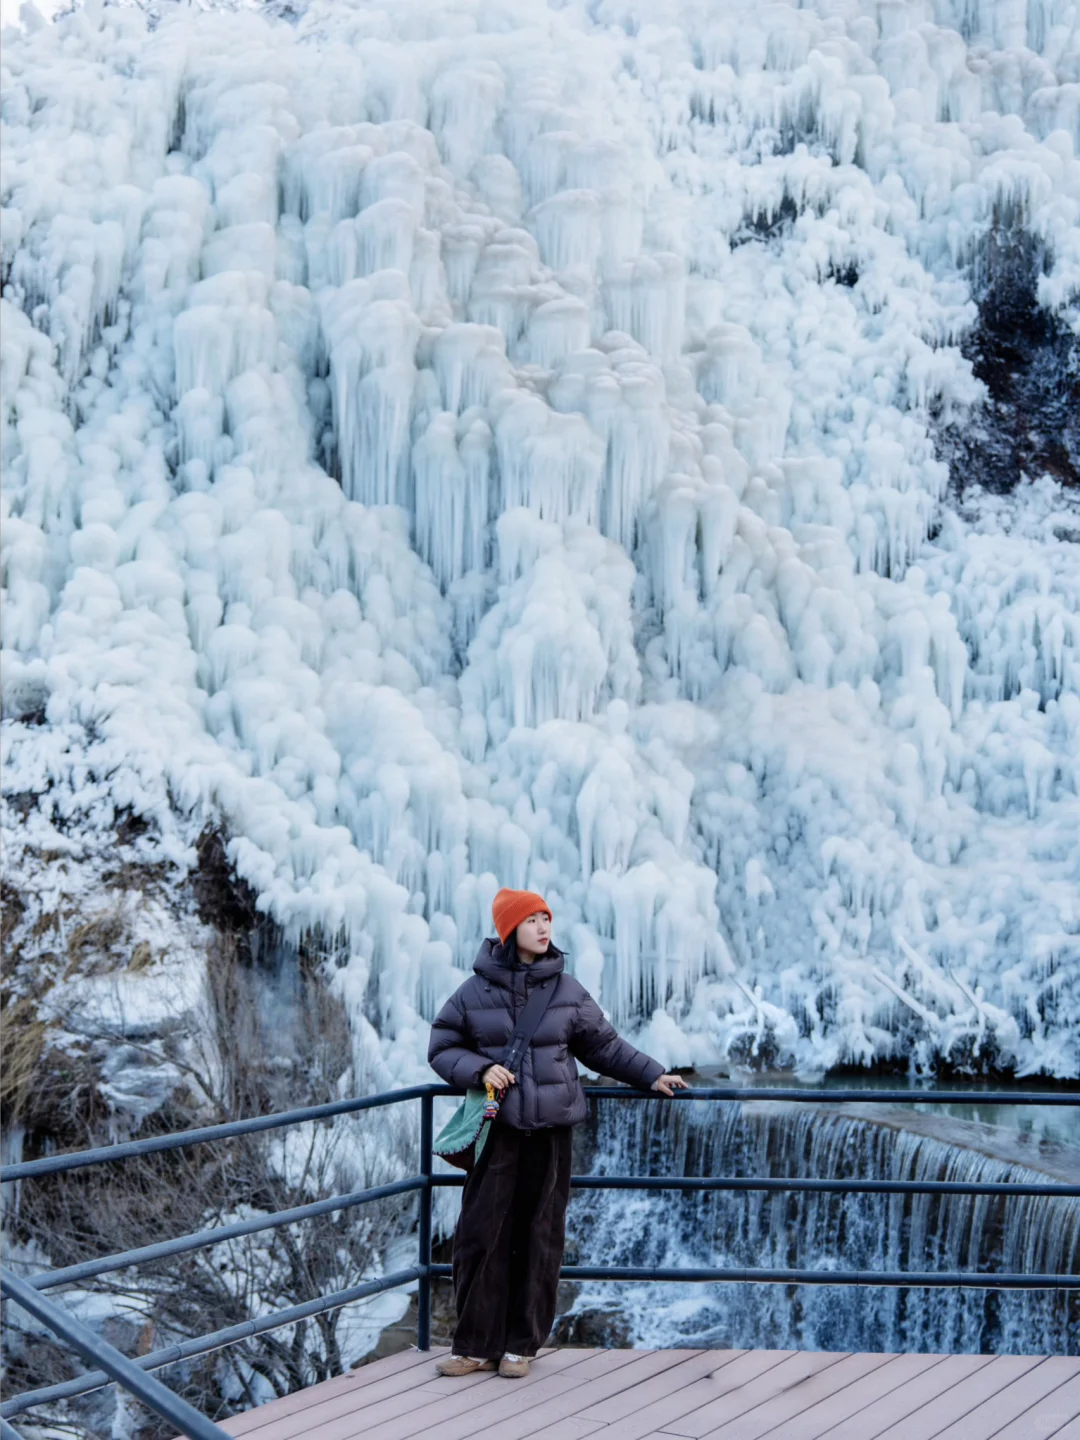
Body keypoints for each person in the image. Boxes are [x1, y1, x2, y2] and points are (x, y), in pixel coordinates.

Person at [427, 887, 689, 1379]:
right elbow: (441, 1046)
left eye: (547, 917)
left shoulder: (567, 990)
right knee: (481, 1235)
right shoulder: (474, 992)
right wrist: (481, 1069)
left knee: (540, 1237)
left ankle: (521, 1346)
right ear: (509, 931)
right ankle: (475, 1345)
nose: (544, 927)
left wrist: (652, 1073)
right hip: (499, 1130)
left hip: (551, 1134)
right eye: (532, 920)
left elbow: (605, 1046)